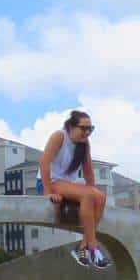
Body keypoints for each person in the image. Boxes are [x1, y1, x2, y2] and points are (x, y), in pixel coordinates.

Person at [39, 110, 109, 269]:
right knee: (88, 195)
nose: (87, 132)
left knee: (100, 197)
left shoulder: (84, 144)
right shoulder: (59, 137)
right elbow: (44, 163)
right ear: (71, 126)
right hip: (51, 181)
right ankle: (93, 248)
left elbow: (88, 171)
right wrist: (48, 191)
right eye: (83, 128)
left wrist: (96, 195)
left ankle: (83, 247)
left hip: (67, 184)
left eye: (91, 129)